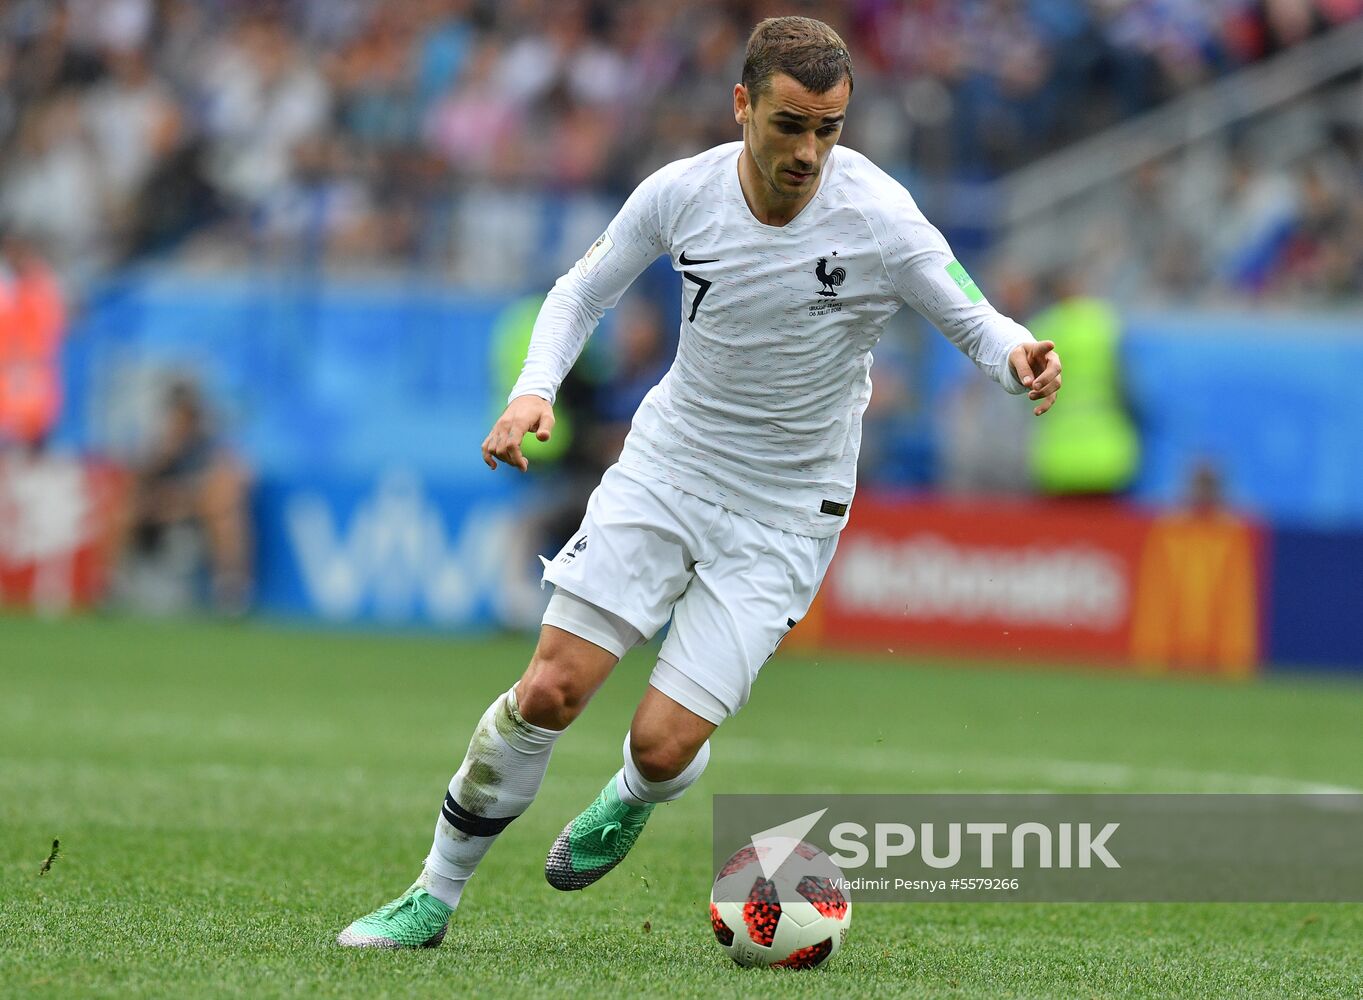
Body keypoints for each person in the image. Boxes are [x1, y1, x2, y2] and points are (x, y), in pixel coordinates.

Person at [338, 16, 1061, 949]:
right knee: (550, 691)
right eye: (790, 124)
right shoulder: (681, 194)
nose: (809, 151)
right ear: (741, 105)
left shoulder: (879, 217)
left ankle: (635, 793)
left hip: (788, 510)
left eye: (829, 128)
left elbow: (972, 314)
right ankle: (431, 897)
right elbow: (581, 290)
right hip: (669, 467)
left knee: (662, 745)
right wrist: (531, 395)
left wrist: (1019, 360)